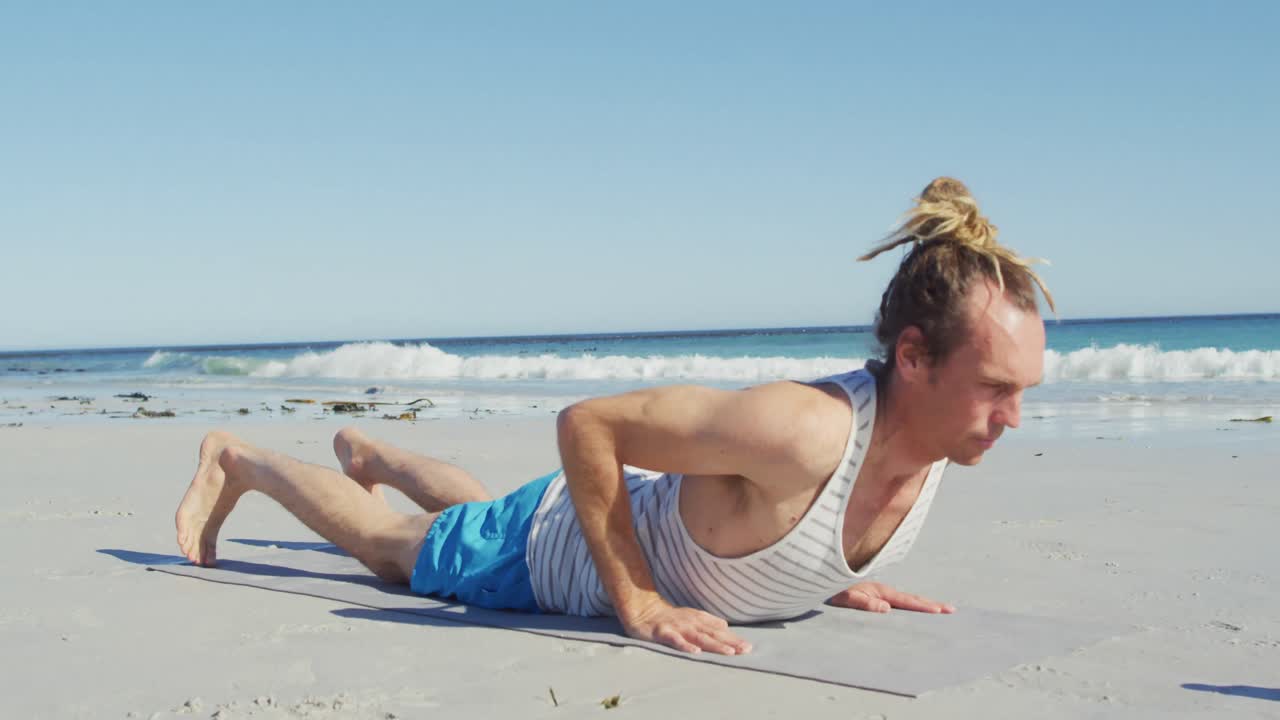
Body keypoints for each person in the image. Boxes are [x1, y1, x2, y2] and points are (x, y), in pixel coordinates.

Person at [175, 177, 1053, 656]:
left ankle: (374, 451)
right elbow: (588, 423)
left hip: (585, 511)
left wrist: (818, 573)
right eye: (996, 388)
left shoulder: (939, 437)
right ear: (912, 359)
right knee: (396, 553)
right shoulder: (805, 432)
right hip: (555, 558)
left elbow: (776, 523)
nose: (1012, 417)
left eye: (1024, 391)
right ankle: (242, 462)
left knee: (487, 511)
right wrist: (633, 598)